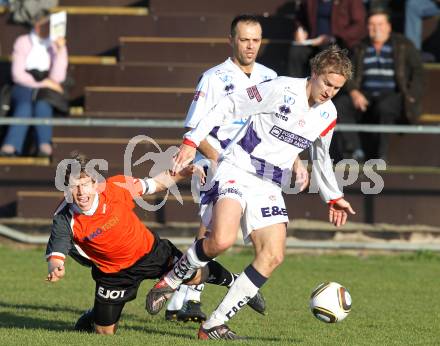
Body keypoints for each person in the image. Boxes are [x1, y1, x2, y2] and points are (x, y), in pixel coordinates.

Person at [145, 45, 356, 340]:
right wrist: (191, 141)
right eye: (327, 84)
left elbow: (321, 156)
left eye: (337, 88)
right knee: (221, 240)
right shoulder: (281, 88)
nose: (330, 92)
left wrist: (333, 197)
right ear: (315, 73)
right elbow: (228, 105)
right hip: (237, 168)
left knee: (273, 255)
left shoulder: (328, 113)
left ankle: (213, 325)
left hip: (269, 183)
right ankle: (170, 279)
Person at [164, 14, 308, 324]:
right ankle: (191, 296)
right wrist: (217, 159)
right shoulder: (214, 78)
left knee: (237, 234)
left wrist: (296, 160)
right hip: (218, 159)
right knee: (214, 228)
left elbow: (283, 125)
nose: (251, 46)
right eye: (245, 39)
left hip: (257, 166)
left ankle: (180, 294)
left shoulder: (271, 77)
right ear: (232, 40)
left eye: (256, 40)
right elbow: (194, 129)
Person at [45, 152, 265, 335]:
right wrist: (56, 267)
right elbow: (57, 250)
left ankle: (237, 283)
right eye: (74, 187)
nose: (81, 192)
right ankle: (95, 315)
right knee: (104, 333)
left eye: (85, 184)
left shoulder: (115, 187)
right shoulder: (64, 217)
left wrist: (183, 173)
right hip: (113, 274)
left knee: (192, 275)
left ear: (96, 184)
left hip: (151, 252)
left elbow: (156, 184)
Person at [333, 8, 423, 161]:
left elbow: (418, 72)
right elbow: (347, 72)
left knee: (385, 107)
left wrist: (412, 95)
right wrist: (354, 92)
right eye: (372, 25)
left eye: (380, 24)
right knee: (340, 105)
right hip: (365, 95)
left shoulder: (403, 45)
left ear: (388, 26)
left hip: (393, 94)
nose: (376, 29)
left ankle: (381, 155)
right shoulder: (360, 46)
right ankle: (355, 151)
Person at [0, 10, 67, 157]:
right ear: (36, 25)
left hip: (46, 86)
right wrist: (43, 84)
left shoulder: (56, 44)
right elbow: (18, 74)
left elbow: (58, 77)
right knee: (24, 105)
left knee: (42, 104)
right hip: (25, 84)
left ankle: (44, 145)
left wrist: (61, 50)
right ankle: (10, 146)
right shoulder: (22, 41)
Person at [288, 0, 366, 78]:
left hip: (338, 42)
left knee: (326, 54)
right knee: (296, 51)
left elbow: (359, 25)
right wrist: (300, 29)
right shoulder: (309, 1)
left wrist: (333, 37)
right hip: (313, 41)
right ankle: (296, 85)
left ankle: (324, 86)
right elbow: (300, 18)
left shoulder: (351, 2)